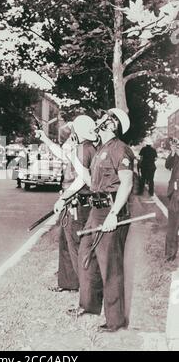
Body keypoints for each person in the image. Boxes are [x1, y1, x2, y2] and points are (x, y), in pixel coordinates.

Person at [74, 108, 134, 333]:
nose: (97, 121)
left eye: (102, 119)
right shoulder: (100, 150)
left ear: (112, 124)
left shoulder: (121, 150)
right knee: (86, 254)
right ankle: (90, 305)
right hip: (96, 210)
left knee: (110, 265)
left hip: (111, 210)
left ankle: (115, 320)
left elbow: (126, 184)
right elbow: (91, 181)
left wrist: (113, 214)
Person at [36, 115, 97, 292]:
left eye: (71, 133)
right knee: (66, 242)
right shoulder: (80, 148)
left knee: (76, 245)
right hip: (71, 201)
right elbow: (63, 154)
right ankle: (69, 283)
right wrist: (46, 139)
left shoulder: (84, 150)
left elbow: (82, 179)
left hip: (76, 202)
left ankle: (85, 289)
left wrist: (64, 198)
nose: (68, 138)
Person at [165, 138, 179, 262]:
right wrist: (173, 152)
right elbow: (167, 165)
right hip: (175, 193)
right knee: (172, 225)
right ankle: (170, 254)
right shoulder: (176, 155)